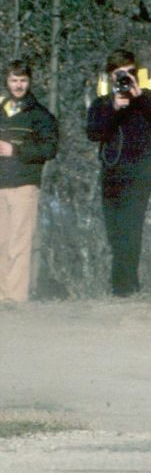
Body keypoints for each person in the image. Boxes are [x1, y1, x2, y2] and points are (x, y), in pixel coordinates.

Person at [86, 50, 151, 297]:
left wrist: (140, 98)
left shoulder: (148, 98)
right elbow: (92, 132)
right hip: (112, 175)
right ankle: (124, 284)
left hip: (140, 173)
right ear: (110, 77)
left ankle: (124, 288)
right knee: (115, 232)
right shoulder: (102, 103)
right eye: (119, 74)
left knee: (130, 228)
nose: (125, 79)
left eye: (130, 73)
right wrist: (114, 107)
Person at [0, 60, 58, 304]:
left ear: (30, 82)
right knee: (1, 242)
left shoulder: (40, 115)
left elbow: (49, 148)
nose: (18, 85)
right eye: (14, 80)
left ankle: (15, 298)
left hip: (24, 185)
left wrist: (16, 150)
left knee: (19, 243)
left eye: (23, 80)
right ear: (7, 82)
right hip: (0, 184)